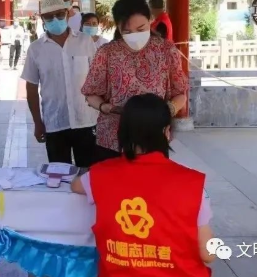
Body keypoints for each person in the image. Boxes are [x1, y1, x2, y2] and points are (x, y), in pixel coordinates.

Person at [71, 94, 215, 276]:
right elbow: (208, 254)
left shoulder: (99, 174)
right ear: (166, 132)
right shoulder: (193, 184)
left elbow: (75, 186)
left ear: (122, 132)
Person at [81, 0, 188, 163]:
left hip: (154, 138)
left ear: (150, 20)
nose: (135, 35)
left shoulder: (166, 50)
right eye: (127, 32)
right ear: (118, 28)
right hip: (113, 139)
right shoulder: (107, 53)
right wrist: (104, 107)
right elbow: (90, 93)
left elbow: (180, 93)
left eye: (141, 28)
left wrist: (166, 111)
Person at [21, 0, 98, 168]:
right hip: (54, 123)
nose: (55, 19)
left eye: (59, 14)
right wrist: (37, 123)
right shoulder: (35, 49)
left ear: (67, 13)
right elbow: (31, 89)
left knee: (88, 174)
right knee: (59, 175)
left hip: (86, 120)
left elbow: (97, 80)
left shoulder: (85, 42)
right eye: (49, 16)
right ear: (42, 18)